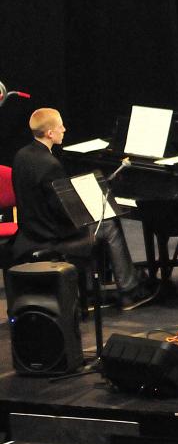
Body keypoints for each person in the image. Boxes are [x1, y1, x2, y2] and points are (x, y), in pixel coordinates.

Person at [11, 108, 153, 309]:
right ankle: (129, 291)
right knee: (109, 224)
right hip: (49, 235)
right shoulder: (50, 164)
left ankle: (91, 289)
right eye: (60, 126)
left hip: (30, 231)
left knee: (98, 221)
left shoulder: (22, 155)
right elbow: (63, 210)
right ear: (50, 133)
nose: (64, 129)